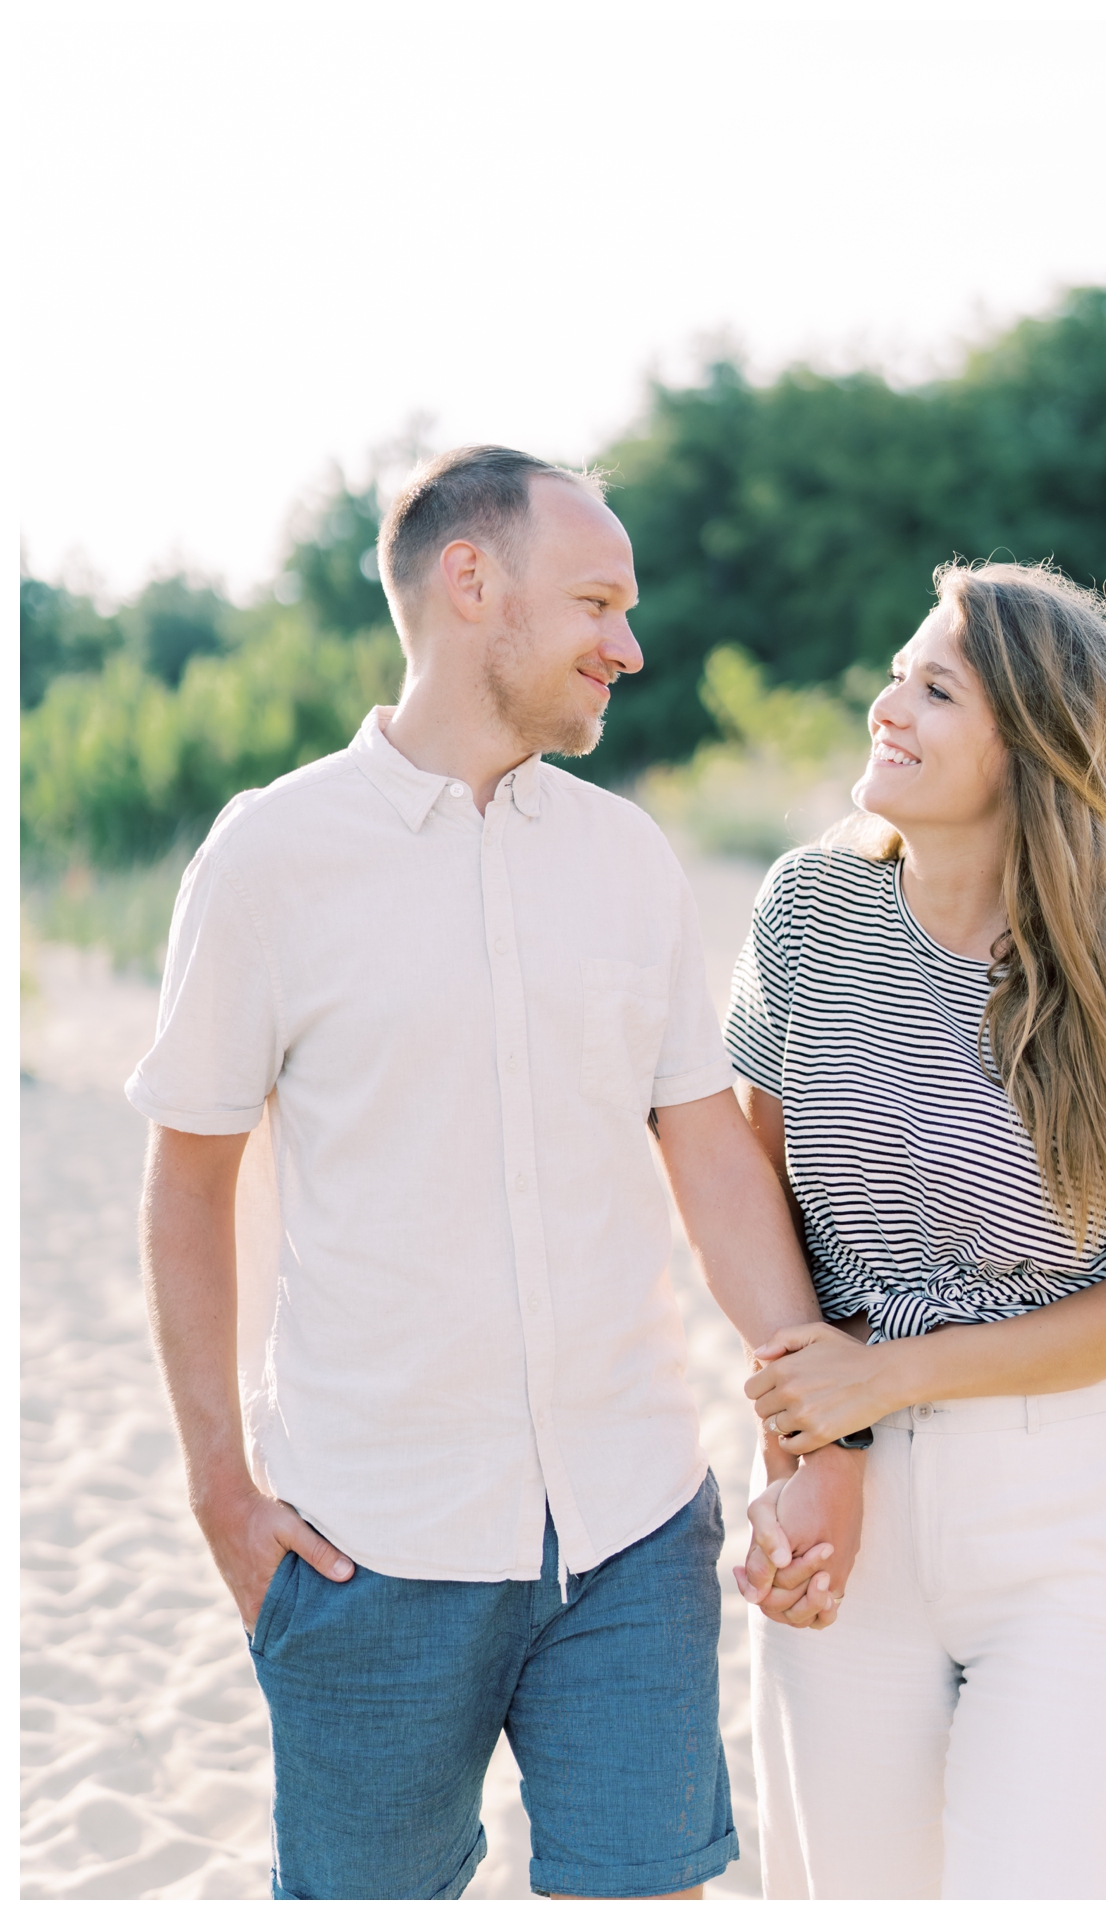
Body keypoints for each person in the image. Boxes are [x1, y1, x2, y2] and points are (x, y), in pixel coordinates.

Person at [128, 446, 861, 1902]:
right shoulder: (270, 857)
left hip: (634, 1520)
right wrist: (220, 1488)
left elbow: (708, 1154)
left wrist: (813, 1431)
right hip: (367, 1545)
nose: (628, 646)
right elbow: (188, 1182)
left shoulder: (626, 858)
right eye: (596, 600)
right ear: (473, 584)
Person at [726, 559, 1106, 1899]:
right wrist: (806, 1448)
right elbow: (755, 1208)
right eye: (899, 672)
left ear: (1029, 745)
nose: (885, 705)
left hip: (1064, 1519)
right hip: (847, 1504)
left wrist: (884, 1378)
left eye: (934, 687)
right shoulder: (806, 909)